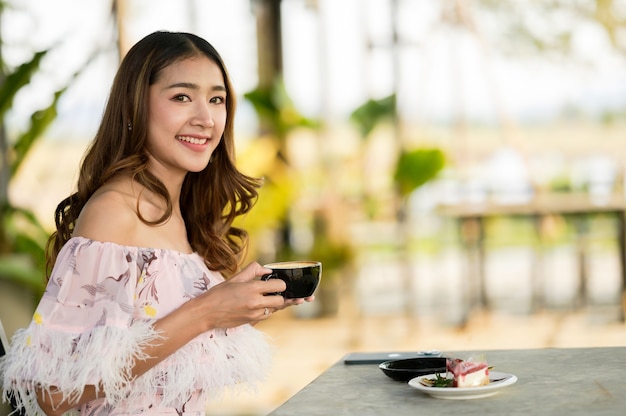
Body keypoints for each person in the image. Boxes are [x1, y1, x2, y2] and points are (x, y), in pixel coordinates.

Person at [0, 31, 313, 415]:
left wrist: (243, 305)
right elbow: (51, 394)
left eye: (216, 99)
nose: (205, 118)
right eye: (182, 97)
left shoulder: (183, 213)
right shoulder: (114, 212)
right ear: (134, 108)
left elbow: (160, 350)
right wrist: (206, 311)